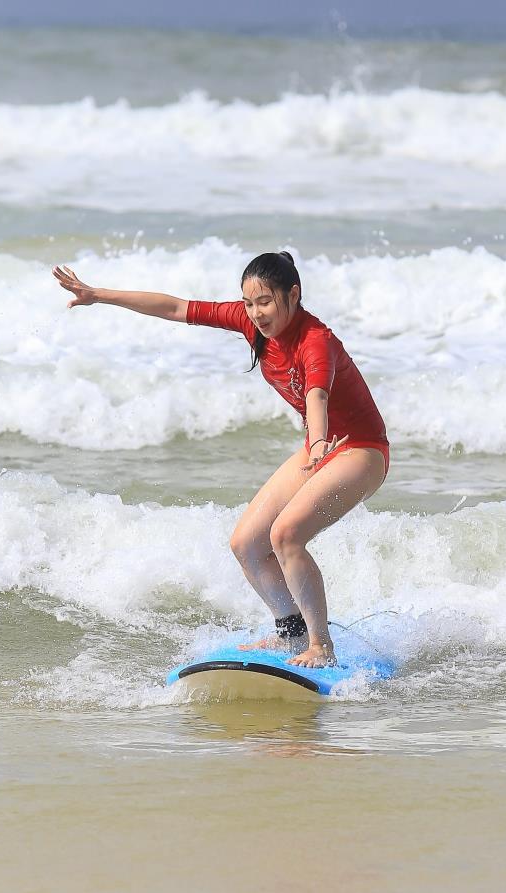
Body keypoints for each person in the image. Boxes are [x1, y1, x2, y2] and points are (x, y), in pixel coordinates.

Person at [52, 251, 389, 668]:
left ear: (293, 294)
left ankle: (321, 646)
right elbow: (176, 307)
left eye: (265, 301)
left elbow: (317, 397)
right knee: (246, 544)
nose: (256, 313)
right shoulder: (252, 323)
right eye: (249, 303)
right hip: (318, 447)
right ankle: (292, 633)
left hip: (359, 449)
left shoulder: (315, 340)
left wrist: (318, 444)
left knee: (285, 535)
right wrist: (99, 294)